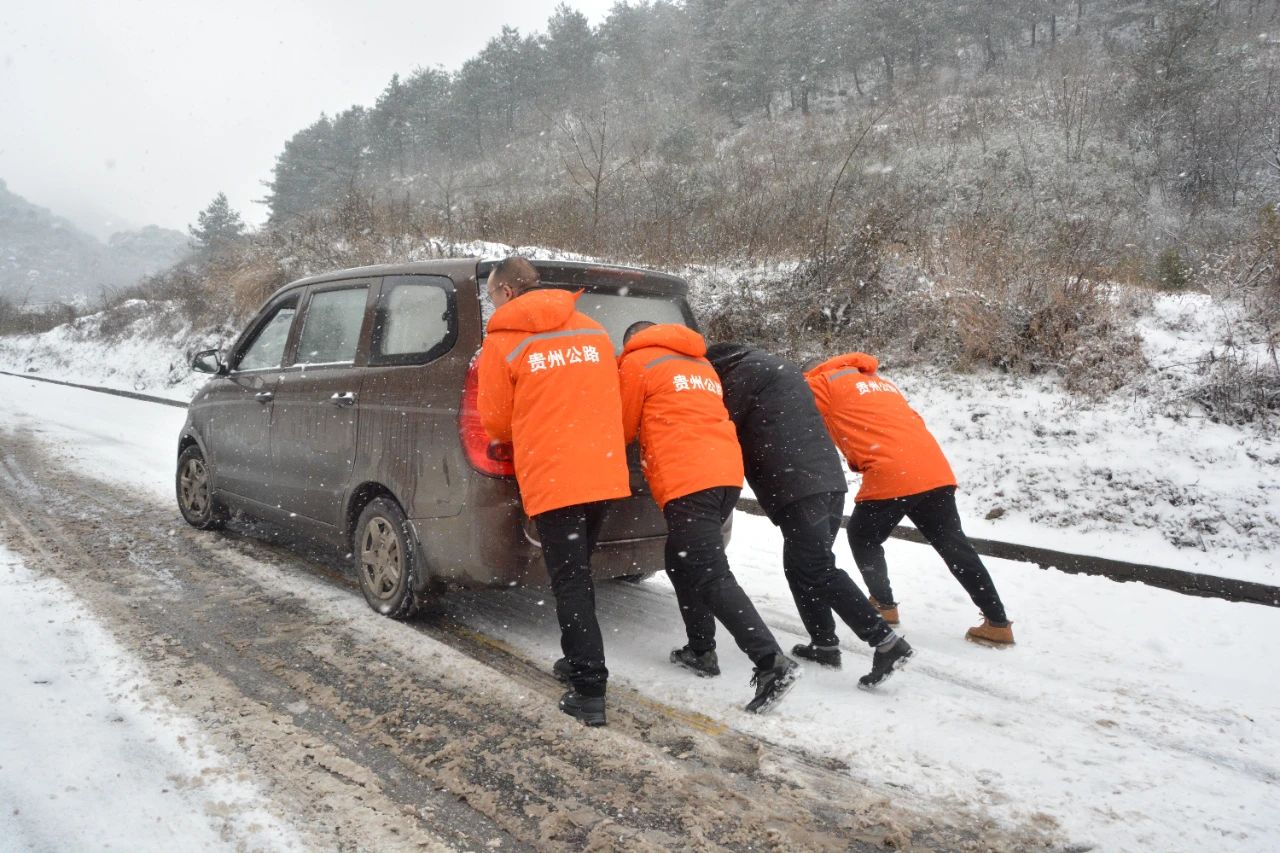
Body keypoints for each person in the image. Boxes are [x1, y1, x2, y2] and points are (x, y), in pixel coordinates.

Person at [704, 342, 914, 687]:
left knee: (815, 567)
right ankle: (824, 643)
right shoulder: (777, 367)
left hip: (798, 484)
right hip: (826, 480)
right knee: (803, 564)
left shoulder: (740, 376)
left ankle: (886, 642)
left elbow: (719, 425)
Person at [478, 257, 632, 726]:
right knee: (579, 570)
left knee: (570, 580)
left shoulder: (504, 342)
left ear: (505, 292)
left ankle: (588, 687)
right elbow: (615, 398)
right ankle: (577, 659)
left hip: (555, 473)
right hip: (603, 470)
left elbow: (496, 422)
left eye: (490, 297)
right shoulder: (592, 330)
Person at [618, 321, 800, 714]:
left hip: (688, 477)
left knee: (710, 572)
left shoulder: (638, 361)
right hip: (724, 475)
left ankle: (771, 662)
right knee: (680, 561)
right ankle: (701, 650)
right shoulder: (700, 365)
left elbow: (624, 425)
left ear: (632, 340)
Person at [804, 352, 1014, 646]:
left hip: (892, 470)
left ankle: (884, 604)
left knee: (863, 536)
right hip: (933, 468)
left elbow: (788, 407)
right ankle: (998, 622)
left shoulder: (822, 382)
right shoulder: (878, 382)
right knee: (953, 544)